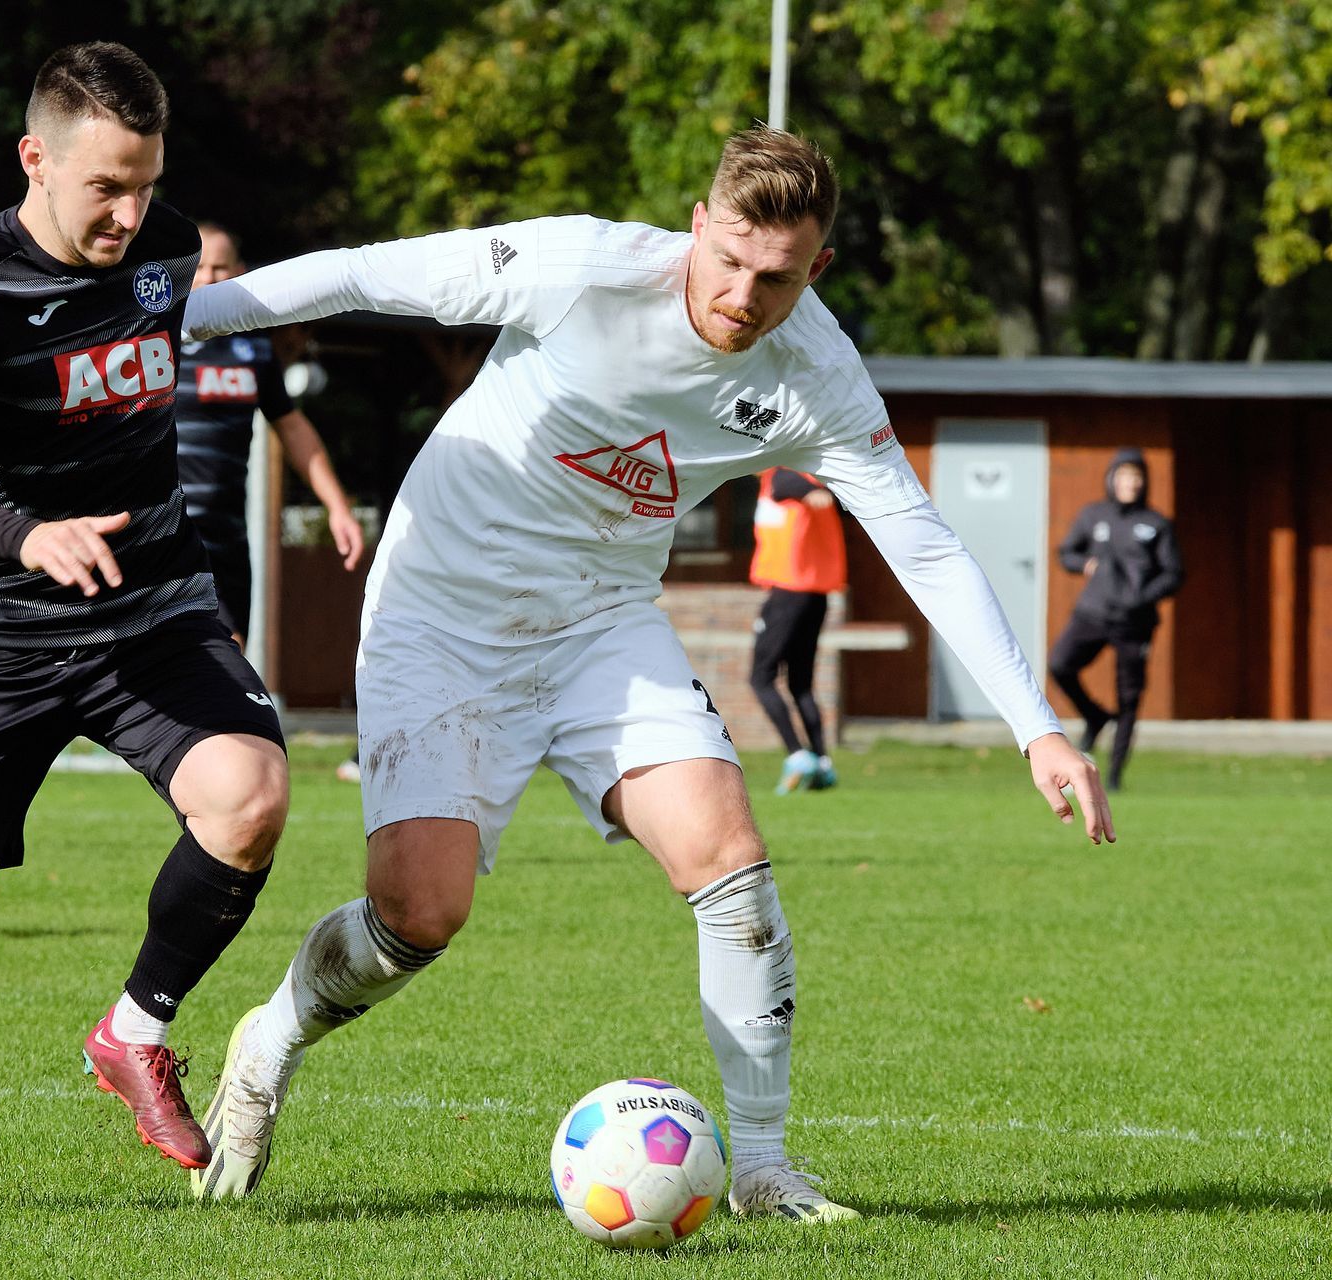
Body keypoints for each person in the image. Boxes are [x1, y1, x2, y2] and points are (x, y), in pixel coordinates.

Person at [181, 126, 1113, 1219]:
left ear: (817, 269)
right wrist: (165, 318)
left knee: (731, 863)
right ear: (698, 225)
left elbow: (924, 544)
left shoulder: (818, 374)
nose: (744, 296)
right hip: (441, 612)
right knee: (421, 912)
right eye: (729, 260)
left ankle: (760, 1166)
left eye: (778, 278)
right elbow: (360, 275)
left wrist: (1037, 725)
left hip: (601, 622)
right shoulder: (581, 267)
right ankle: (272, 1037)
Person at [0, 42, 290, 1214]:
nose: (132, 213)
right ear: (36, 158)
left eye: (146, 184)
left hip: (153, 610)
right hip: (1, 630)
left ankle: (135, 1030)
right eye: (105, 187)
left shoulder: (167, 247)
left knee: (250, 797)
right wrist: (25, 536)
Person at [176, 221, 364, 643]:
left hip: (224, 541)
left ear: (240, 273)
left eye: (220, 267)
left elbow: (293, 427)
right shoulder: (154, 342)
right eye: (199, 267)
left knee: (228, 654)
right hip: (158, 534)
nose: (209, 277)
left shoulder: (255, 352)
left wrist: (337, 507)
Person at [1047, 449, 1182, 790]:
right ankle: (1094, 715)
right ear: (1112, 479)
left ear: (1144, 481)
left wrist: (1142, 597)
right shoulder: (1094, 515)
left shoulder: (1156, 524)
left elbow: (1173, 574)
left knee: (1129, 698)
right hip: (1092, 612)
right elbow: (1067, 553)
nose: (1130, 483)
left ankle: (1115, 775)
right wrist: (1084, 564)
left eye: (1136, 476)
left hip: (1134, 623)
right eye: (1123, 475)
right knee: (1059, 665)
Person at [748, 467, 846, 794]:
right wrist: (813, 493)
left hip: (790, 593)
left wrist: (811, 492)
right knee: (800, 682)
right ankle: (822, 763)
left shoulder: (781, 474)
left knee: (760, 677)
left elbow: (786, 484)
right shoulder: (793, 478)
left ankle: (797, 755)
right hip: (814, 595)